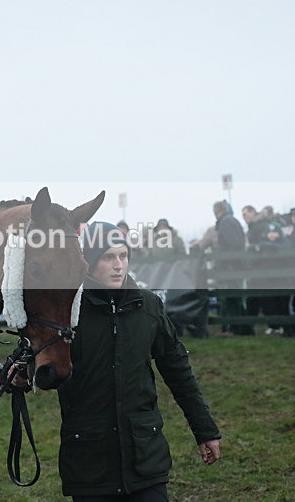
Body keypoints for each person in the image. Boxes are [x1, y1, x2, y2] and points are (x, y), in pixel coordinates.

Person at [56, 222, 221, 500]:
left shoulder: (149, 306)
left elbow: (179, 372)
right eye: (108, 257)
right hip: (90, 462)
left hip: (145, 459)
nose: (118, 265)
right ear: (89, 261)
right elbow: (43, 368)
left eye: (123, 256)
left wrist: (205, 430)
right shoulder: (67, 312)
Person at [213, 200, 247, 336]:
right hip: (233, 266)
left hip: (230, 268)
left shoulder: (226, 222)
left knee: (230, 299)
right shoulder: (230, 221)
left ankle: (232, 329)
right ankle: (240, 328)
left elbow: (233, 245)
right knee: (234, 299)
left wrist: (229, 263)